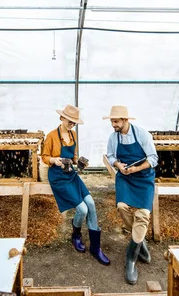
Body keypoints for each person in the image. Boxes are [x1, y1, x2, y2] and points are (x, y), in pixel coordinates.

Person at [41, 104, 110, 265]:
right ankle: (76, 234)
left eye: (74, 122)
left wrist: (77, 161)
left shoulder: (73, 135)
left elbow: (73, 156)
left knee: (91, 204)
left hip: (70, 175)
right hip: (58, 177)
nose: (72, 124)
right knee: (82, 209)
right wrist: (54, 160)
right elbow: (44, 157)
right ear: (62, 118)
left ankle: (95, 247)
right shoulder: (51, 136)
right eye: (70, 121)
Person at [104, 105, 158, 285]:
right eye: (112, 121)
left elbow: (153, 159)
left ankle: (131, 261)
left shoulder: (142, 135)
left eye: (116, 121)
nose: (113, 125)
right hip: (125, 178)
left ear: (126, 121)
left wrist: (136, 168)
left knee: (143, 214)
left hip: (143, 178)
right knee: (121, 206)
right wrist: (119, 166)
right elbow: (111, 156)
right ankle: (139, 240)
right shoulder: (113, 137)